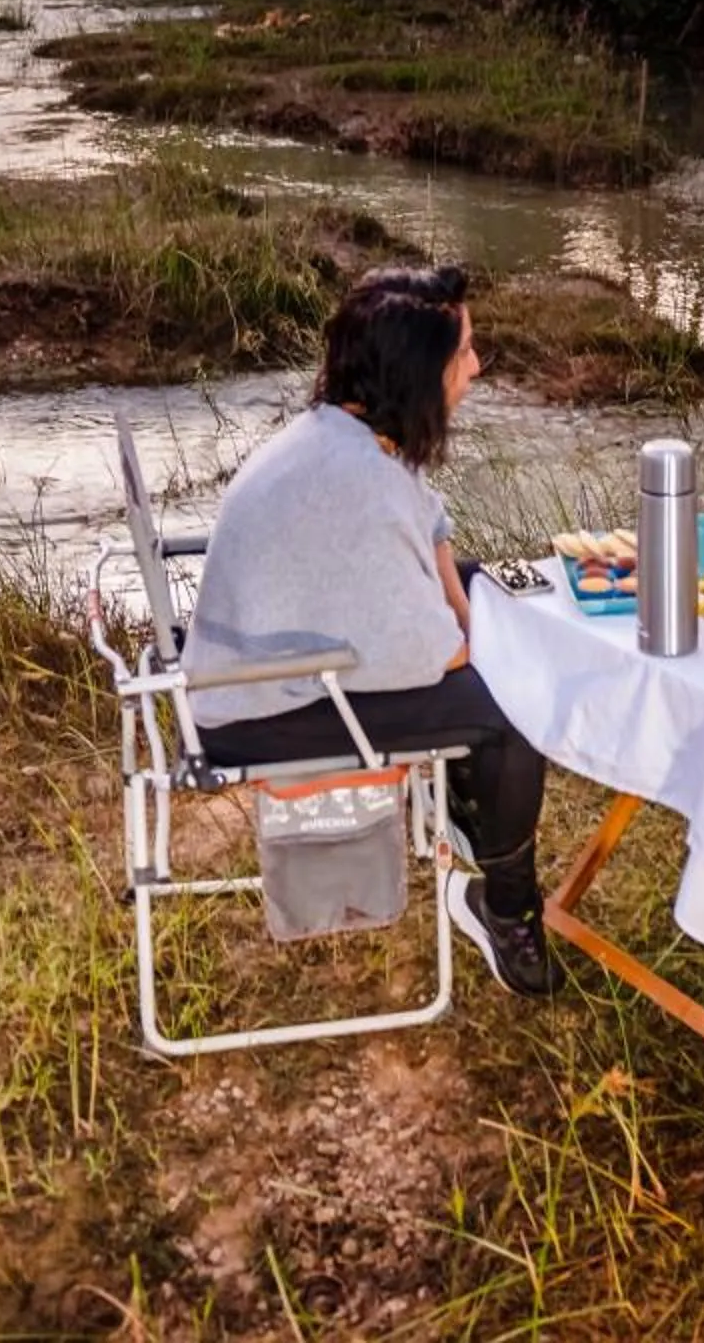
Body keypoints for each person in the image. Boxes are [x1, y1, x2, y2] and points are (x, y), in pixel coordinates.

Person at [185, 264, 554, 996]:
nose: (477, 367)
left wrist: (464, 603)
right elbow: (439, 655)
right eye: (464, 353)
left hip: (257, 666)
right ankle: (505, 906)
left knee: (485, 602)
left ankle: (465, 817)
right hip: (257, 708)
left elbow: (431, 524)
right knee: (513, 710)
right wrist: (481, 642)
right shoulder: (357, 482)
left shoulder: (351, 436)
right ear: (421, 373)